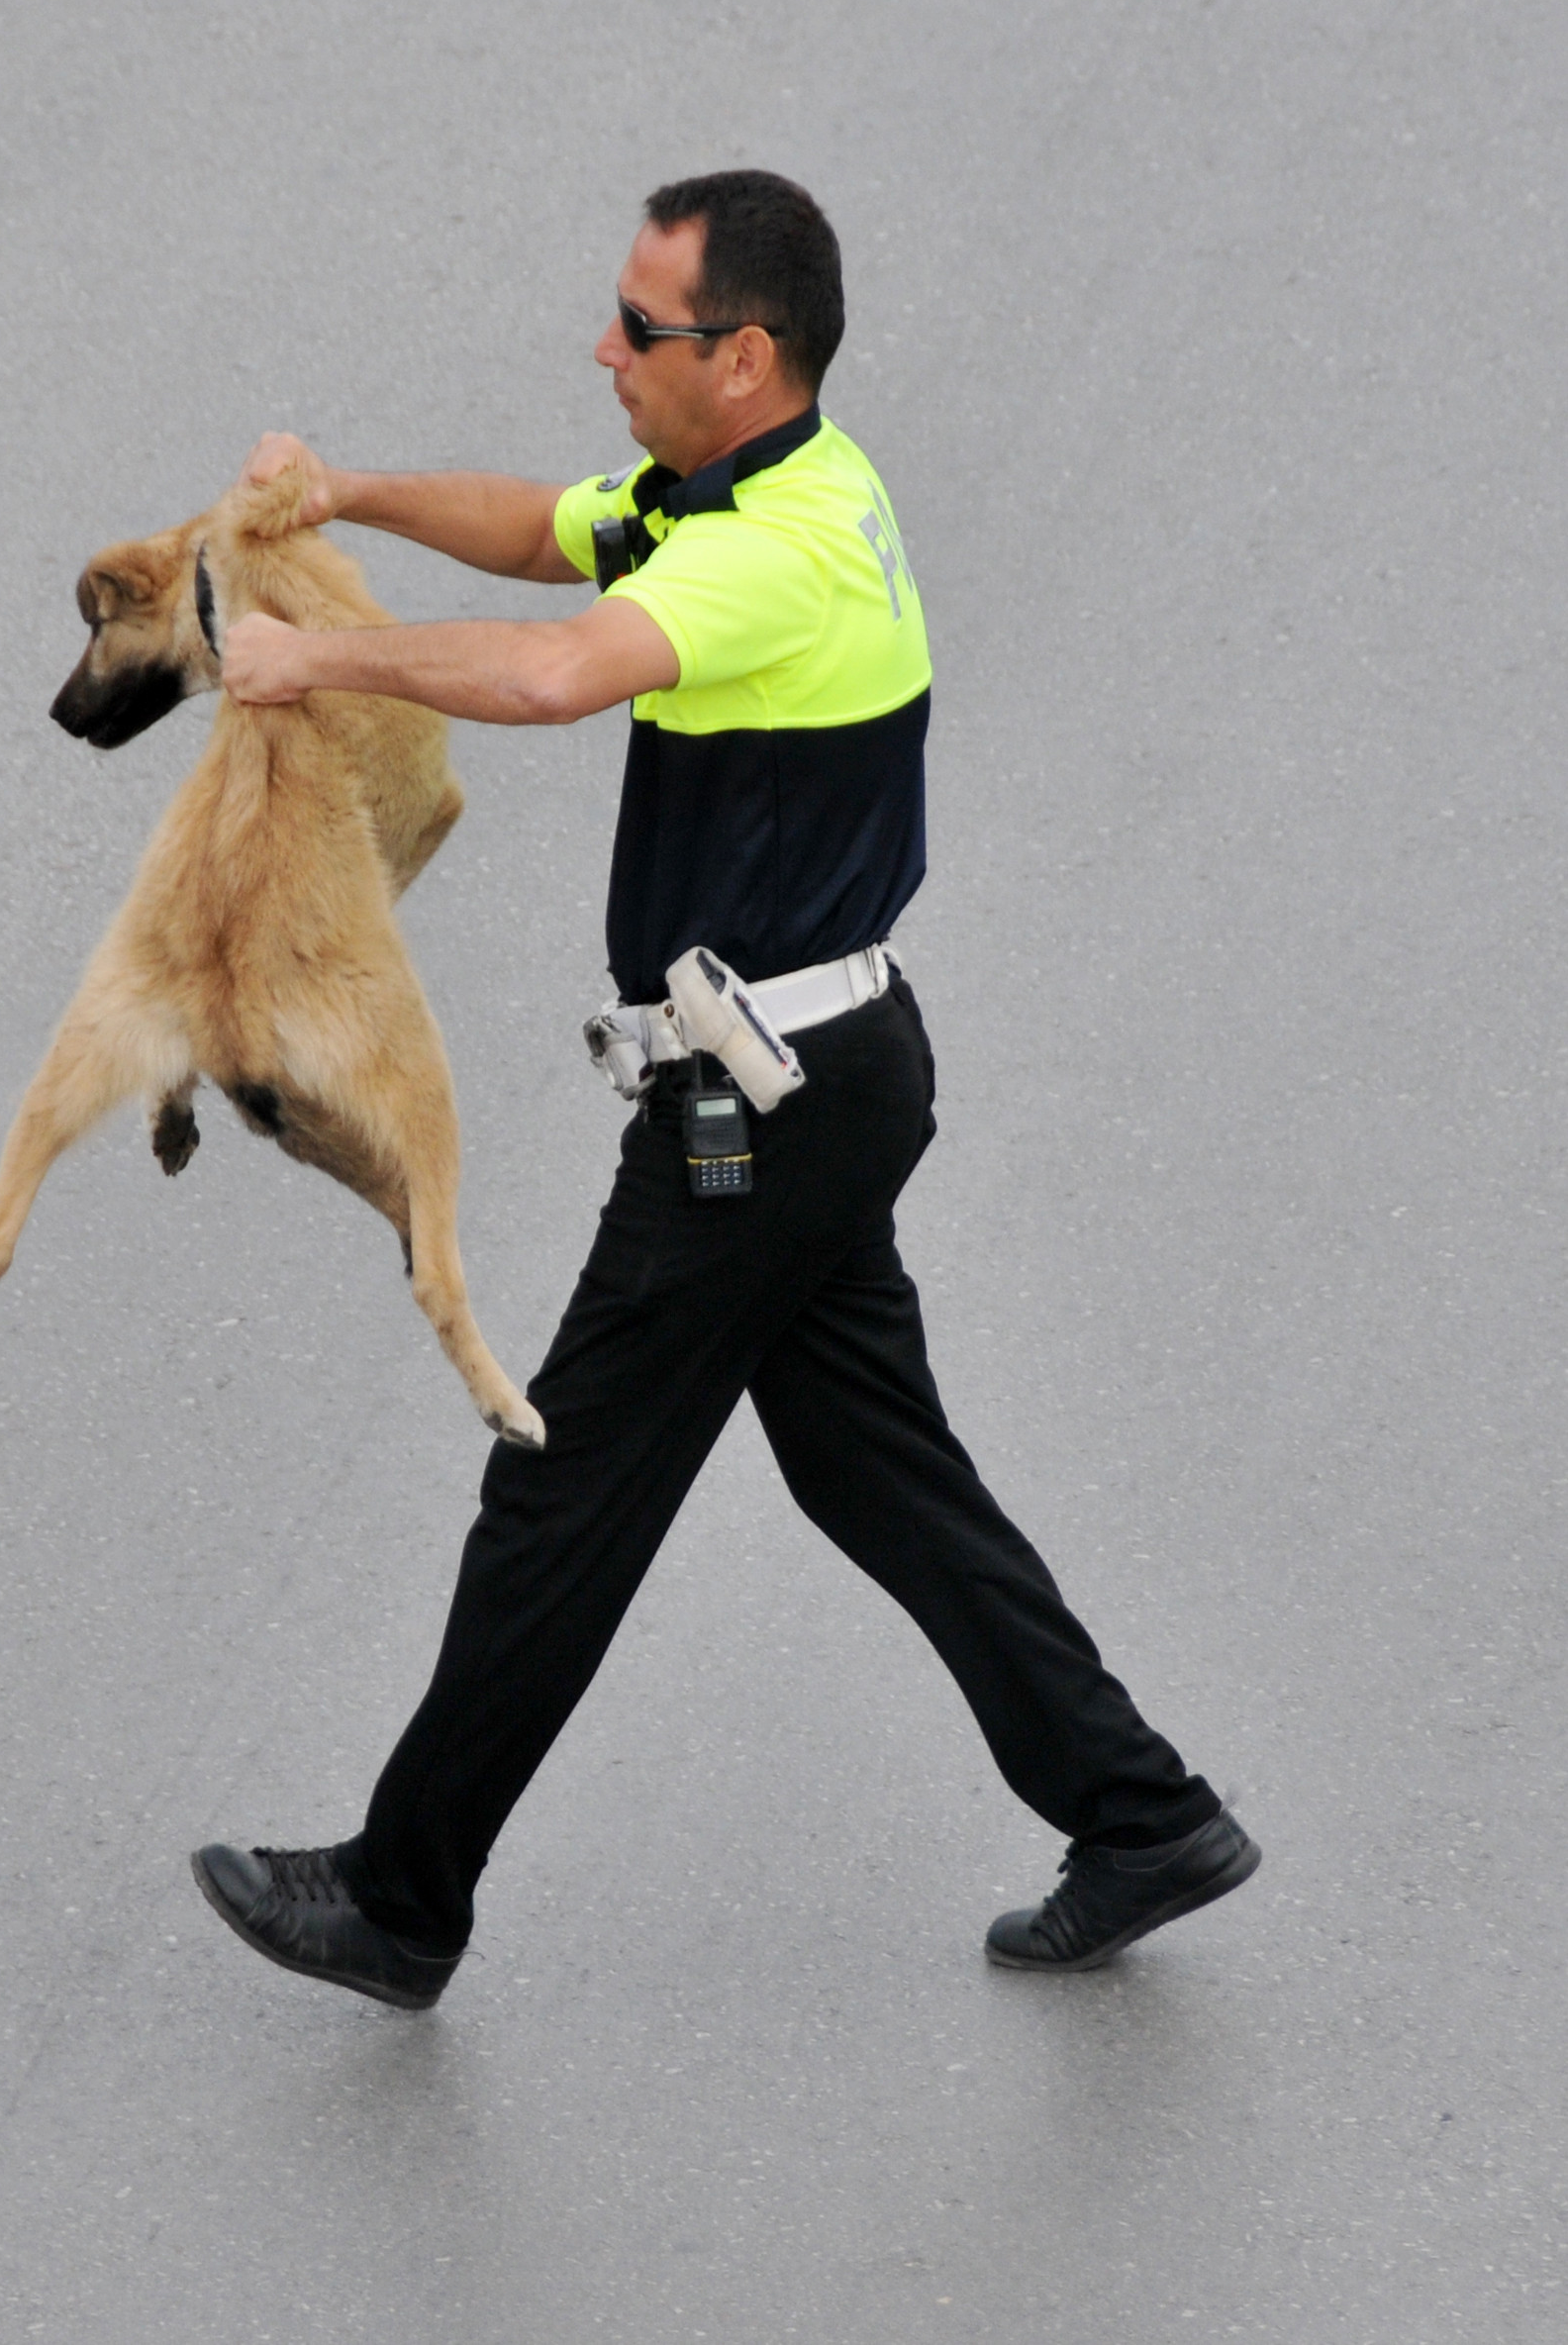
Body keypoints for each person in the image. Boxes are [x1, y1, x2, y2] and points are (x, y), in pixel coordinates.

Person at [191, 170, 1258, 2007]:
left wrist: (311, 658)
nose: (602, 350)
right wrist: (346, 495)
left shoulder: (783, 552)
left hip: (756, 1108)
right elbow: (544, 538)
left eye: (639, 327)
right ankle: (1141, 1811)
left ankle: (400, 1896)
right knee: (875, 1469)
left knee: (562, 1482)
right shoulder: (731, 489)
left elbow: (548, 673)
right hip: (817, 1079)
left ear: (742, 356)